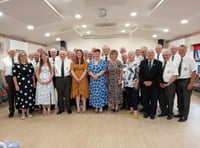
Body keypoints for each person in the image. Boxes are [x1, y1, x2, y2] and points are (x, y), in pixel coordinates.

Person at [139, 49, 162, 119]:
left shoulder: (159, 63)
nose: (150, 55)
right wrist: (144, 82)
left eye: (152, 53)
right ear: (147, 55)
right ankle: (146, 112)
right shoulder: (143, 62)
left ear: (154, 54)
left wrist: (152, 82)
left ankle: (152, 113)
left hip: (154, 85)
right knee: (145, 100)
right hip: (144, 85)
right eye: (149, 53)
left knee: (154, 100)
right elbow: (140, 73)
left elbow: (159, 75)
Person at [175, 45, 196, 122]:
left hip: (186, 80)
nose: (181, 52)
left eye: (182, 50)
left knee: (185, 99)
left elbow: (194, 72)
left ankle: (184, 115)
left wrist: (191, 83)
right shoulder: (177, 59)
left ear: (186, 50)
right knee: (179, 98)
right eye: (179, 50)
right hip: (178, 80)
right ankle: (180, 112)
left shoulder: (190, 59)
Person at [12, 51, 35, 120]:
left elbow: (32, 74)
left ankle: (28, 112)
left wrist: (34, 82)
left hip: (29, 84)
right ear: (19, 57)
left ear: (26, 56)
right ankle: (22, 113)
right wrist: (16, 85)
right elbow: (14, 76)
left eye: (24, 55)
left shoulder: (30, 64)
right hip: (20, 84)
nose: (23, 57)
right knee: (22, 97)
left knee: (29, 97)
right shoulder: (16, 65)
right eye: (21, 56)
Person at [159, 50, 178, 120]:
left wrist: (168, 83)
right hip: (161, 84)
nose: (165, 56)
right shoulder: (161, 63)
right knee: (161, 99)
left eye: (167, 55)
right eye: (164, 55)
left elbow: (175, 75)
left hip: (170, 84)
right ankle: (164, 111)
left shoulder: (173, 64)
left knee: (170, 99)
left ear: (170, 56)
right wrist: (160, 83)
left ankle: (170, 113)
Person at [88, 49, 108, 113]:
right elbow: (89, 70)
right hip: (93, 80)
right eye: (95, 53)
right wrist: (93, 75)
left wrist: (98, 75)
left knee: (101, 93)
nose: (96, 54)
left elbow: (104, 70)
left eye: (98, 53)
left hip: (101, 80)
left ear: (100, 54)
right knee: (94, 93)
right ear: (93, 54)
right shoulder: (91, 62)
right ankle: (96, 107)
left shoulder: (103, 61)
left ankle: (101, 107)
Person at [0, 49, 17, 117]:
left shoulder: (17, 59)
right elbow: (2, 71)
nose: (12, 53)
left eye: (14, 52)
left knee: (18, 94)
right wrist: (4, 82)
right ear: (8, 52)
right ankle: (11, 110)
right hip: (9, 78)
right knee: (10, 95)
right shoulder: (4, 60)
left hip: (17, 78)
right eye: (11, 51)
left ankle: (19, 108)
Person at [55, 50, 72, 114]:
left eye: (63, 54)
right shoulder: (56, 61)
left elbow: (70, 70)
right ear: (59, 55)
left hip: (67, 78)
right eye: (61, 54)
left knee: (67, 94)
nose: (62, 55)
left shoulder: (69, 61)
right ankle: (61, 108)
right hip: (59, 79)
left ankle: (68, 108)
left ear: (66, 55)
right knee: (60, 94)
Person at [124, 51, 140, 119]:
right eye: (129, 55)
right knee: (129, 97)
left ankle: (135, 111)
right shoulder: (126, 63)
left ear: (134, 56)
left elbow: (139, 74)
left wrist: (137, 82)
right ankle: (131, 109)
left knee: (134, 97)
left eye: (131, 55)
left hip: (134, 83)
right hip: (127, 83)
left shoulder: (137, 64)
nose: (130, 56)